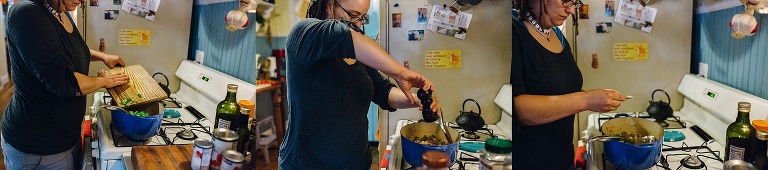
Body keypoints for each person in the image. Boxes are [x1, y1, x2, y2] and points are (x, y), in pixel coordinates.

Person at [279, 0, 441, 169]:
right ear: (329, 6)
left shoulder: (361, 55)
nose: (357, 23)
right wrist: (401, 73)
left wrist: (417, 100)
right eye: (353, 15)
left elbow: (383, 92)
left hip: (358, 163)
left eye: (362, 17)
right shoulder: (304, 35)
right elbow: (342, 35)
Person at [3, 0, 130, 169]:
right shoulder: (27, 14)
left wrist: (103, 57)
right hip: (39, 144)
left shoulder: (60, 10)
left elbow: (68, 51)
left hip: (65, 136)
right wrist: (103, 81)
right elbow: (64, 82)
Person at [512, 0, 627, 169]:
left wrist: (599, 98)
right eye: (565, 0)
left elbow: (558, 89)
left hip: (562, 159)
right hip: (529, 163)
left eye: (575, 2)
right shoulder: (513, 32)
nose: (572, 10)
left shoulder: (557, 34)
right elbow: (518, 110)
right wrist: (586, 100)